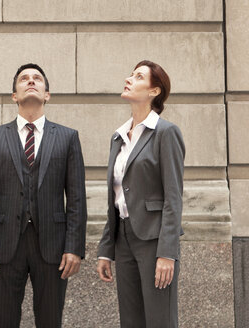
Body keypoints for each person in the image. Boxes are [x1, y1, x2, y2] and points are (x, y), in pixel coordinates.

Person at [0, 63, 87, 327]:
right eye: (24, 79)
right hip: (4, 245)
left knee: (50, 320)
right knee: (4, 319)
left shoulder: (68, 138)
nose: (31, 81)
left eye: (37, 79)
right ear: (14, 95)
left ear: (47, 94)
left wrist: (74, 247)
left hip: (54, 246)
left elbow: (77, 198)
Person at [96, 60, 185, 328]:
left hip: (154, 240)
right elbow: (117, 197)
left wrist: (167, 253)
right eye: (130, 75)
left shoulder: (165, 133)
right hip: (123, 240)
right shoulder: (119, 136)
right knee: (131, 321)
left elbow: (173, 196)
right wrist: (105, 249)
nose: (129, 79)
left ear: (154, 91)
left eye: (138, 76)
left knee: (159, 320)